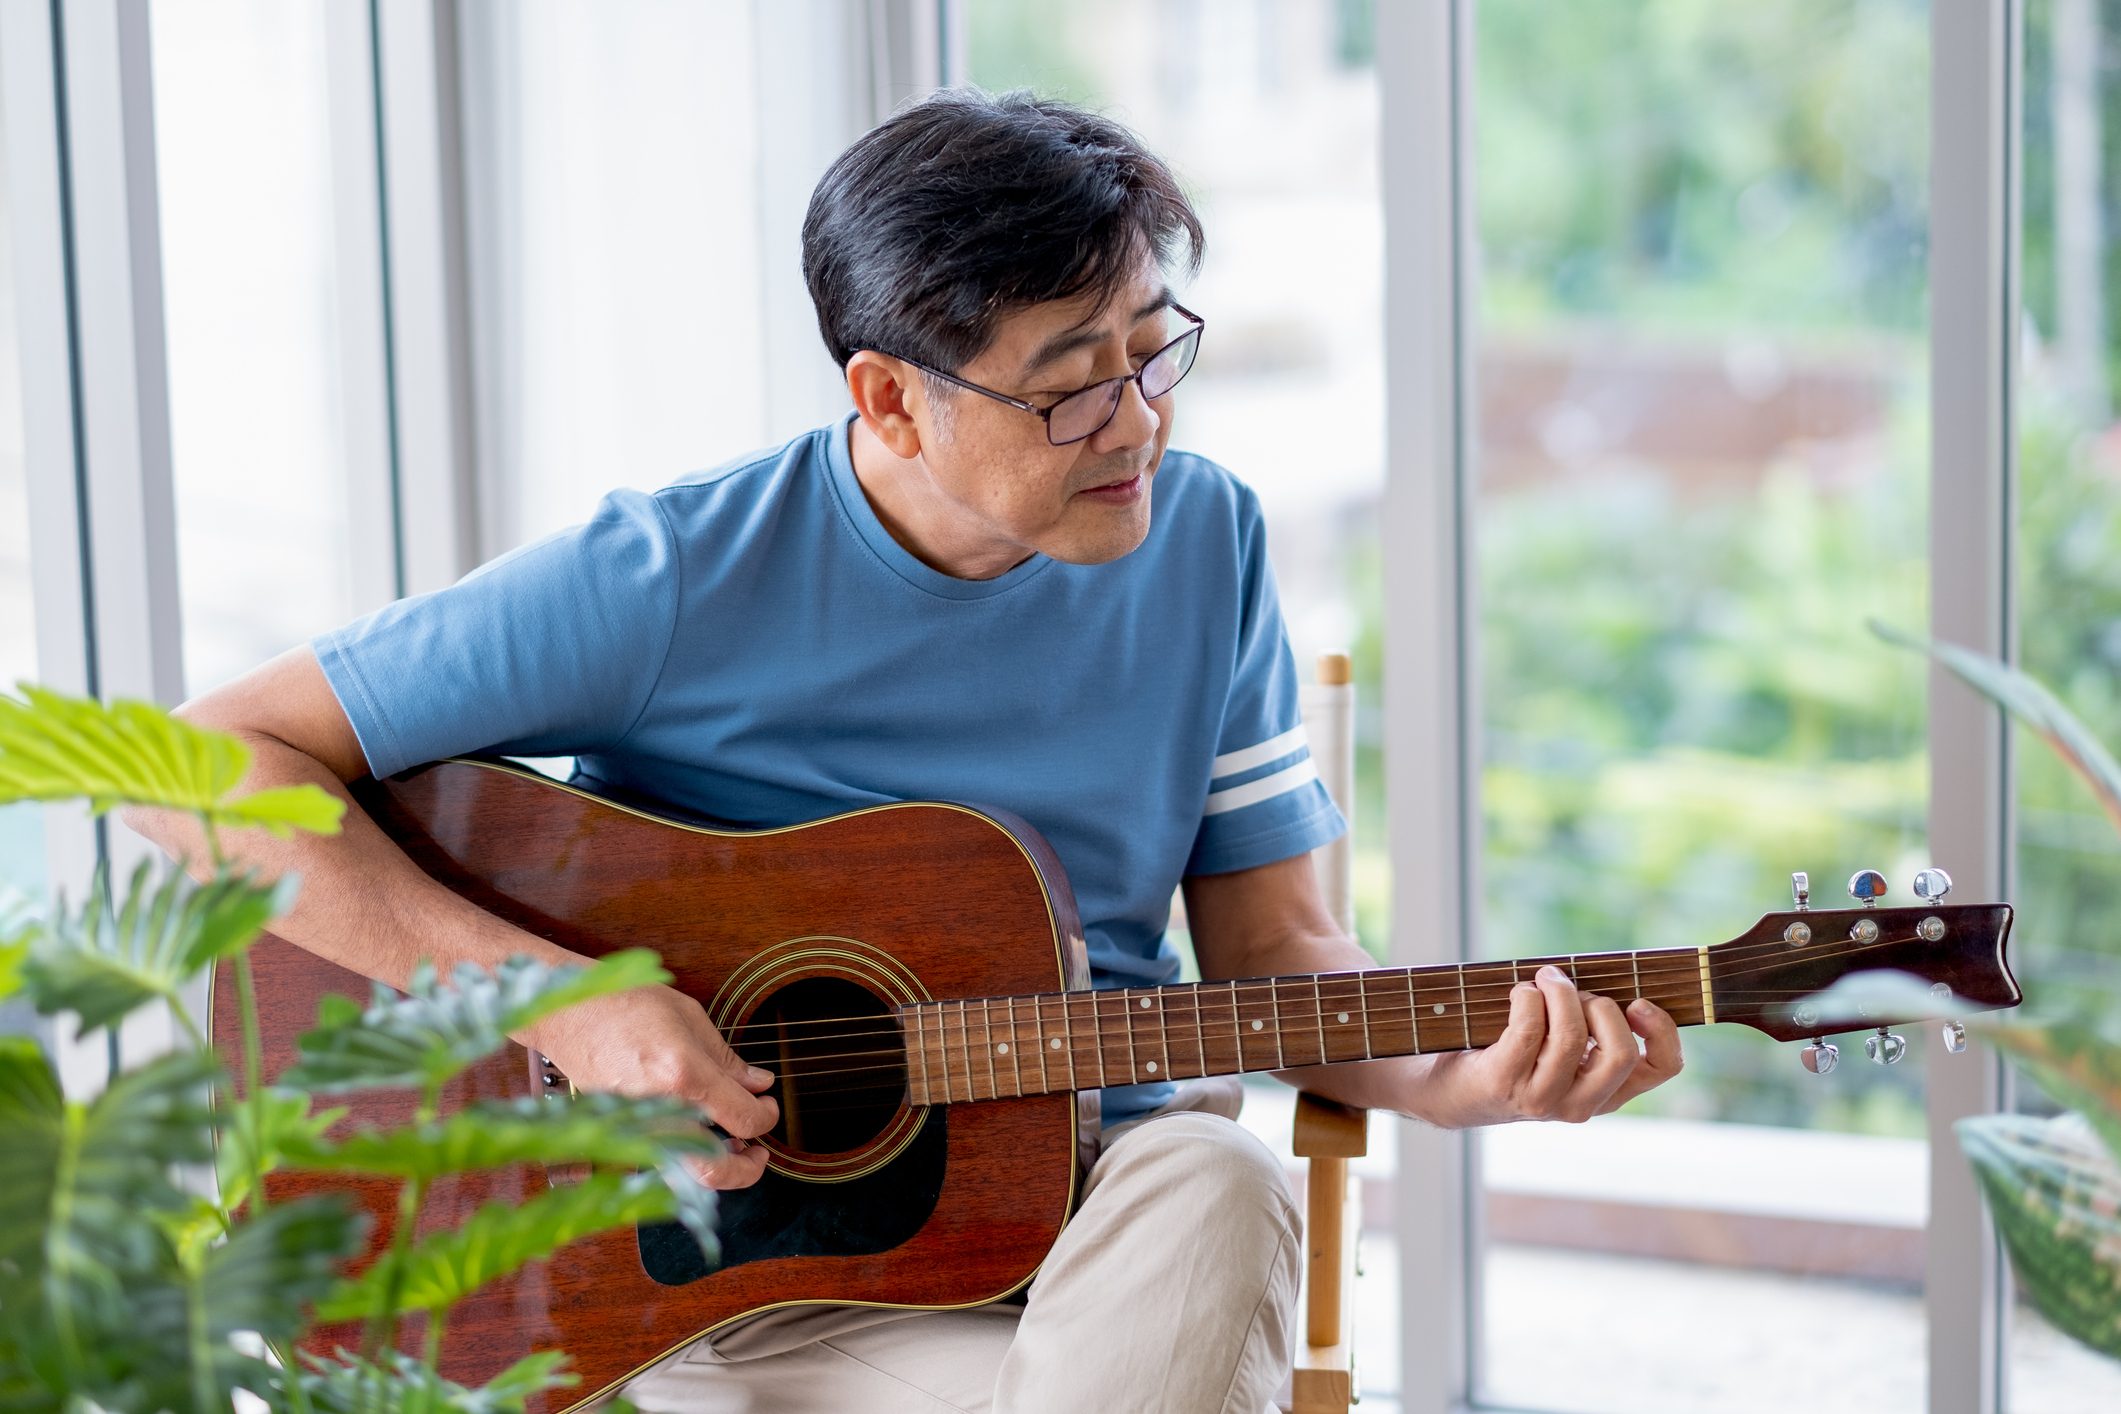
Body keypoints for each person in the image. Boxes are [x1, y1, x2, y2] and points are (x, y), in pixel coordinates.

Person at [130, 88, 1683, 1413]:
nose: (1136, 423)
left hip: (1104, 1253)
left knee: (1220, 1181)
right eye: (1071, 386)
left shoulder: (1203, 543)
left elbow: (1279, 951)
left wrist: (1462, 1071)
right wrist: (565, 1005)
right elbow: (194, 766)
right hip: (742, 1285)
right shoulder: (672, 578)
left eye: (1156, 349)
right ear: (887, 395)